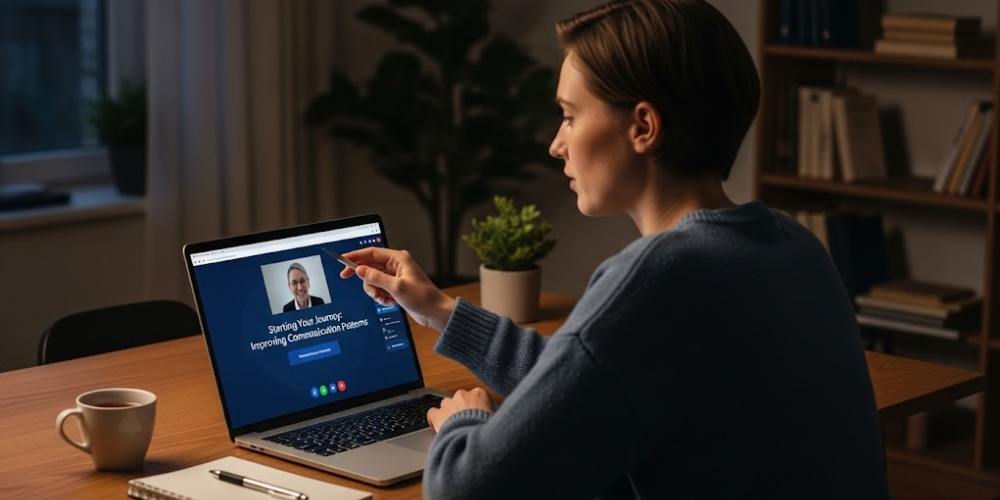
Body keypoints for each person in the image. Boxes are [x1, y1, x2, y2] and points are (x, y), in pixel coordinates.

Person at [339, 0, 888, 498]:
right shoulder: (793, 245)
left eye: (571, 115)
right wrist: (438, 310)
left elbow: (468, 488)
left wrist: (465, 424)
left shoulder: (660, 273)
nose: (557, 143)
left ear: (643, 127)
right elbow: (594, 377)